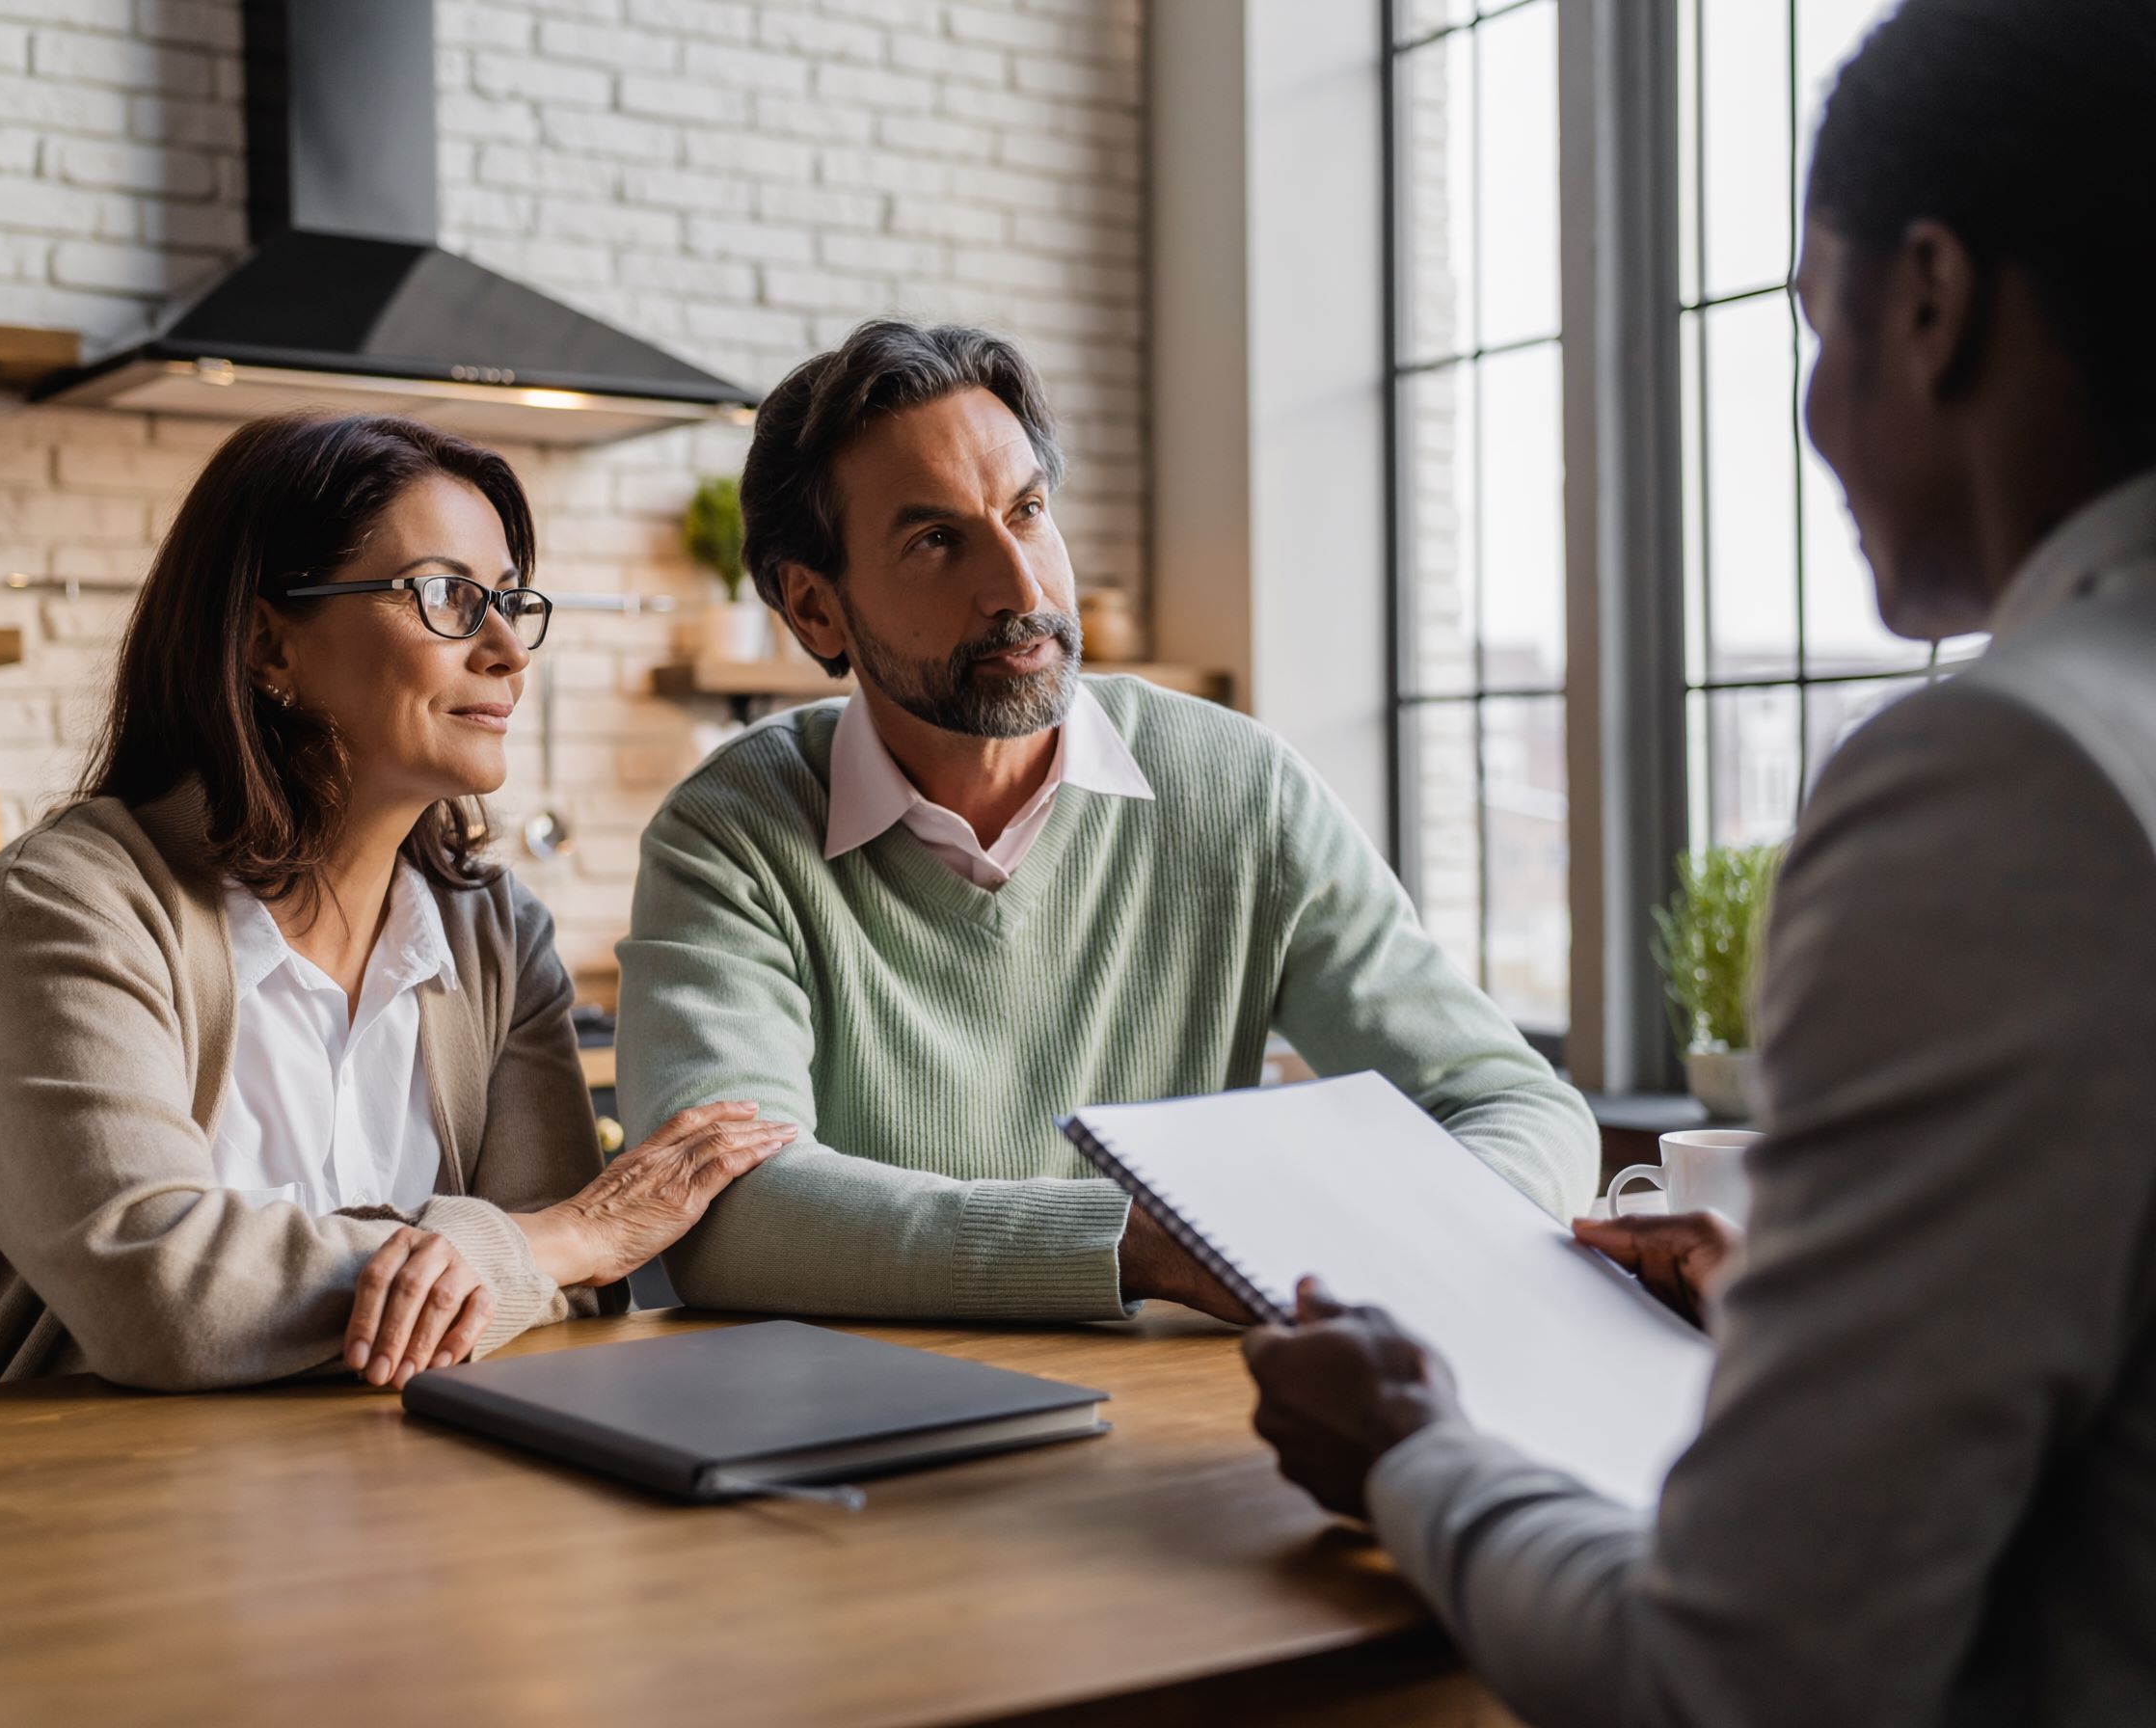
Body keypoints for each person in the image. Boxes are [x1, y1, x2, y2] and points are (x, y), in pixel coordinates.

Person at [1243, 2, 2156, 1722]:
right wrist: (1813, 1322)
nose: (1812, 412)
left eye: (1815, 324)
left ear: (1928, 299)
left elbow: (1732, 1683)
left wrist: (1408, 1456)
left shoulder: (2002, 780)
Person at [616, 321, 1595, 1323]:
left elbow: (1519, 1109)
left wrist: (1403, 1245)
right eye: (936, 540)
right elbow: (720, 1213)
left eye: (1028, 510)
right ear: (816, 609)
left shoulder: (1239, 790)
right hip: (858, 1439)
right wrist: (1138, 1242)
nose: (1022, 588)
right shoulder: (731, 831)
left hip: (1185, 1423)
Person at [0, 414, 793, 1392]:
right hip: (81, 1508)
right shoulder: (68, 907)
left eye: (509, 600)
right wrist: (534, 1244)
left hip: (403, 1495)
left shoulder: (498, 936)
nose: (508, 648)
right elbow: (161, 1295)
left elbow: (577, 1282)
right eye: (447, 595)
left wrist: (537, 1248)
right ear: (268, 644)